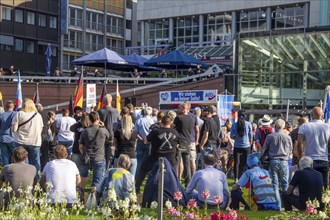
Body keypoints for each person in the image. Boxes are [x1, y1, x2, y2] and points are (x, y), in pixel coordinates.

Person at [11, 98, 43, 181]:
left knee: (21, 162)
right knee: (36, 163)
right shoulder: (38, 115)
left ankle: (23, 180)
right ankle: (36, 181)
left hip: (20, 141)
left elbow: (14, 129)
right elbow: (41, 129)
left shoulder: (19, 114)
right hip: (35, 142)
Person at [263, 119, 293, 208]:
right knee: (285, 185)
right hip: (284, 161)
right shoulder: (288, 137)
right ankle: (287, 205)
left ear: (275, 126)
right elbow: (290, 149)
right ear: (283, 127)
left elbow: (264, 149)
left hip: (273, 161)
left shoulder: (270, 136)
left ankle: (278, 206)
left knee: (274, 185)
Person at [297, 106, 330, 187]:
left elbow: (299, 143)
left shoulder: (304, 126)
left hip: (309, 160)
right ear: (322, 115)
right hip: (323, 159)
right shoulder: (328, 127)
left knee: (309, 186)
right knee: (323, 186)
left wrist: (301, 158)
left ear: (311, 115)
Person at [79, 111, 110, 193]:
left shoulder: (85, 131)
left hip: (87, 157)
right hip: (99, 157)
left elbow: (81, 146)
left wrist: (83, 154)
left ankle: (81, 196)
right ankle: (94, 200)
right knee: (97, 181)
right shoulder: (103, 131)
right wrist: (103, 126)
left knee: (83, 178)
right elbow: (110, 137)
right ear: (98, 118)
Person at [172, 103, 195, 185]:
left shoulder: (178, 118)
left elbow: (171, 127)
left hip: (179, 143)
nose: (178, 109)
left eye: (179, 107)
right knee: (187, 165)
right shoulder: (192, 118)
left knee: (176, 164)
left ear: (183, 108)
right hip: (188, 143)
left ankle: (175, 181)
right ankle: (188, 183)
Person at [70, 112, 91, 197]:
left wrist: (79, 122)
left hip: (78, 151)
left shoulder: (85, 127)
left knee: (77, 170)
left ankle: (79, 187)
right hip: (81, 151)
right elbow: (71, 128)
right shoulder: (87, 127)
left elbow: (71, 128)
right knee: (83, 170)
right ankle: (80, 187)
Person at [98, 94, 120, 169]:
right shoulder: (116, 111)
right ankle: (108, 170)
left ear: (103, 101)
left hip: (102, 136)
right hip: (112, 136)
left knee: (102, 155)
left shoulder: (99, 111)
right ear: (111, 101)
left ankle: (103, 170)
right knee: (111, 156)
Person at [230, 110, 253, 181]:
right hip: (246, 146)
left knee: (237, 163)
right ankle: (246, 178)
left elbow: (231, 136)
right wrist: (250, 144)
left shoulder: (234, 124)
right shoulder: (248, 124)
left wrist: (236, 138)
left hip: (237, 146)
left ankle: (236, 178)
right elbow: (251, 136)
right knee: (246, 163)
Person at [134, 106, 154, 178]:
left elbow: (135, 132)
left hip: (141, 141)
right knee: (149, 159)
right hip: (149, 142)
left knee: (139, 160)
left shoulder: (139, 120)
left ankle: (138, 175)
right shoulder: (152, 121)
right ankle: (149, 175)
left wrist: (141, 139)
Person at [0, 100, 15, 165]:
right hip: (12, 138)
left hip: (2, 138)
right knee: (17, 155)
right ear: (13, 107)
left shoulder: (1, 115)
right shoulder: (15, 114)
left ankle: (6, 172)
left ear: (5, 107)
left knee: (5, 156)